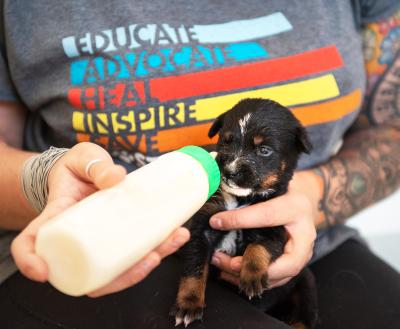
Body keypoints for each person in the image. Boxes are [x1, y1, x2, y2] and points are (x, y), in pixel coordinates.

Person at [0, 0, 399, 328]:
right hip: (96, 245)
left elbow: (392, 131)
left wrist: (314, 196)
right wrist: (43, 178)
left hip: (314, 240)